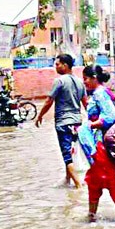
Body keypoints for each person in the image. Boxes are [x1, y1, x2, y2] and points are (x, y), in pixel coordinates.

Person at [35, 54, 86, 188]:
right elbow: (86, 103)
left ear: (65, 65)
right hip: (77, 122)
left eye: (57, 64)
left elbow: (49, 101)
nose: (55, 67)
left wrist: (40, 116)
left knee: (66, 154)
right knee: (70, 151)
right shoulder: (80, 82)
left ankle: (78, 186)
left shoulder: (60, 81)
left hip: (63, 122)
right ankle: (67, 179)